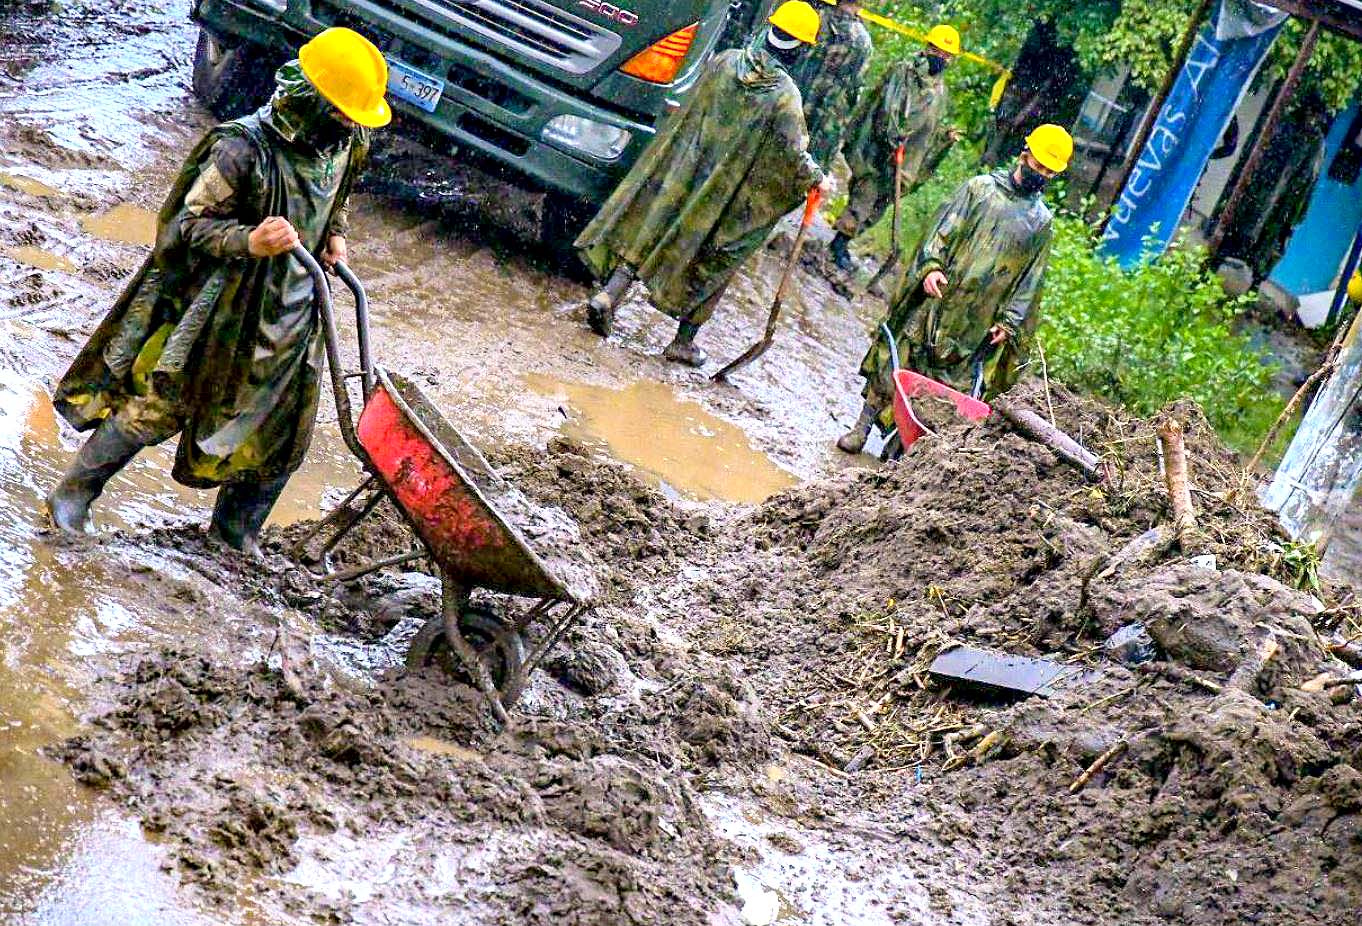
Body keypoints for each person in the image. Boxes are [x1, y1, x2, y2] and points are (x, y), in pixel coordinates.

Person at [47, 27, 390, 556]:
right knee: (162, 403)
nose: (348, 125)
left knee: (284, 423)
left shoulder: (348, 142)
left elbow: (338, 194)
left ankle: (235, 534)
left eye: (355, 118)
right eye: (342, 113)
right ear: (312, 100)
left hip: (297, 305)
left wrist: (336, 234)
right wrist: (249, 239)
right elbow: (186, 226)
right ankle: (73, 495)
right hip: (223, 305)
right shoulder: (239, 149)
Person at [576, 0, 831, 367]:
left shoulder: (725, 60)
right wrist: (817, 179)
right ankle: (683, 341)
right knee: (717, 256)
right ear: (802, 49)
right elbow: (791, 154)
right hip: (722, 194)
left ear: (770, 30)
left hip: (683, 173)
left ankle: (609, 296)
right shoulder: (785, 97)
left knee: (649, 227)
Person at [837, 124, 1073, 454]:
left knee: (948, 390)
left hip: (976, 322)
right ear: (1024, 156)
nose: (1041, 173)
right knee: (898, 359)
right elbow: (941, 233)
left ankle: (908, 451)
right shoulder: (979, 190)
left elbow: (1030, 281)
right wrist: (930, 268)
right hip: (937, 299)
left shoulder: (1040, 223)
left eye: (1049, 171)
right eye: (1038, 165)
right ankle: (862, 427)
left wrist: (1009, 322)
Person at [829, 24, 959, 273]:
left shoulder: (941, 93)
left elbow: (929, 130)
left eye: (947, 55)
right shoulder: (903, 72)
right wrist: (891, 135)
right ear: (927, 47)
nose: (941, 58)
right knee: (865, 195)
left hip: (906, 162)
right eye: (937, 51)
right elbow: (884, 105)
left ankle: (845, 240)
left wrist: (944, 140)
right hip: (878, 151)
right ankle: (839, 243)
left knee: (881, 203)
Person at [789, 0, 872, 172]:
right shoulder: (863, 42)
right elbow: (852, 95)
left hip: (787, 106)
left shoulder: (813, 17)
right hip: (820, 126)